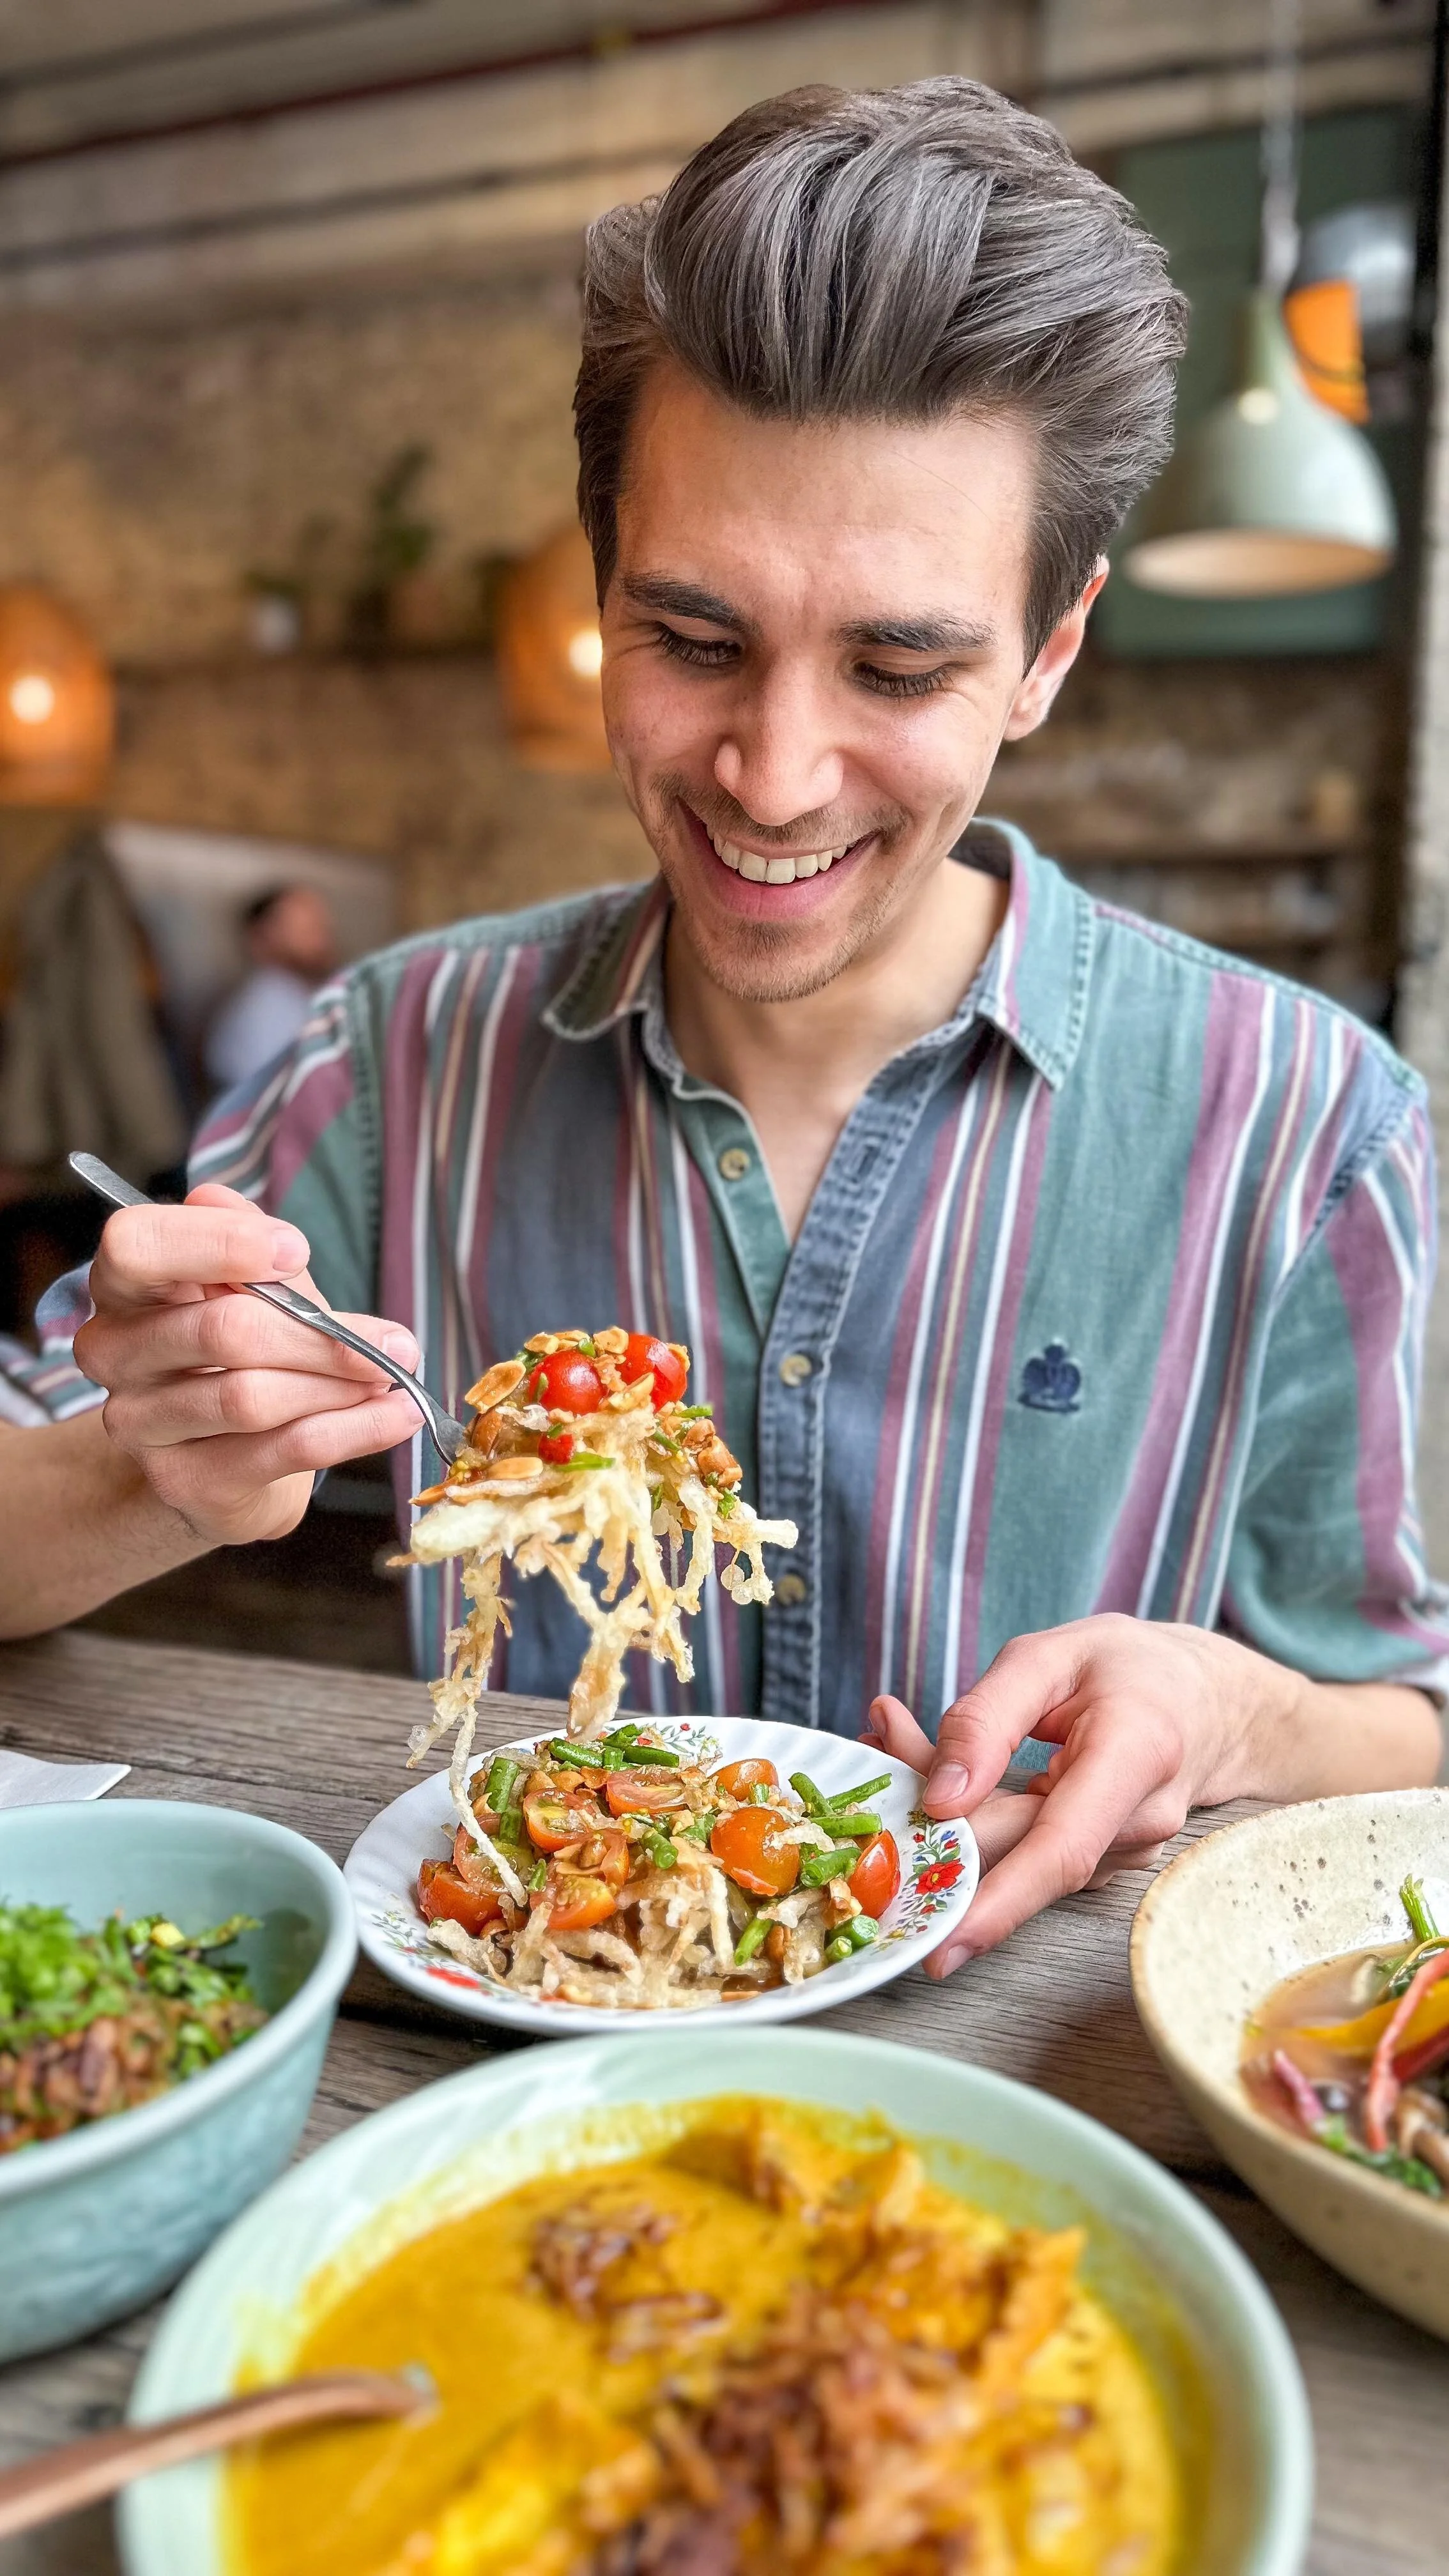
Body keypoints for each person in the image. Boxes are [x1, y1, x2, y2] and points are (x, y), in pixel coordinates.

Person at [9, 80, 1446, 1971]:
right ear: (603, 583)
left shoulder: (1310, 1122)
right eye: (692, 641)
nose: (773, 776)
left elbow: (1407, 1724)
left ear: (1050, 651)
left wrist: (1233, 1710)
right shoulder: (390, 1060)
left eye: (898, 666)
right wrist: (152, 1462)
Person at [202, 885, 337, 1095]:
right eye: (305, 930)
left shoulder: (299, 998)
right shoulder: (263, 1012)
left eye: (321, 928)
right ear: (263, 938)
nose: (320, 941)